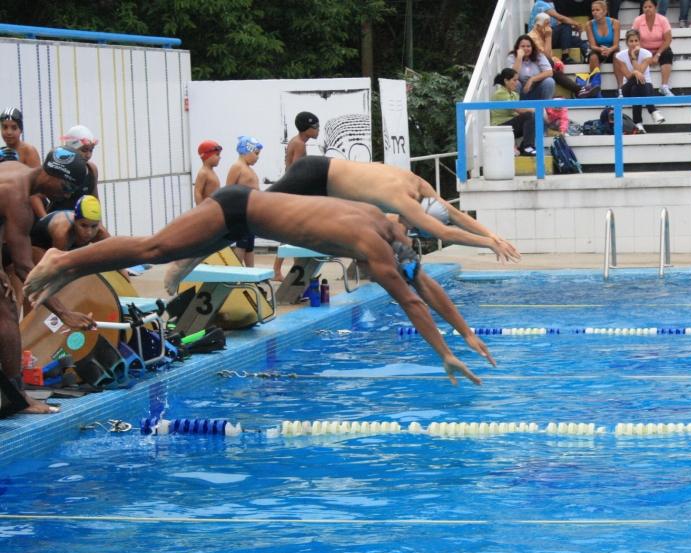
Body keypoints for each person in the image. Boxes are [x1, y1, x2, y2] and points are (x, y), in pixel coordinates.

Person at [24, 188, 494, 386]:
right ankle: (62, 258)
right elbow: (410, 299)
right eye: (415, 244)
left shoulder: (381, 221)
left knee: (165, 254)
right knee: (154, 249)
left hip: (241, 221)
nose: (410, 253)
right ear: (410, 233)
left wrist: (466, 331)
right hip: (235, 210)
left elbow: (421, 284)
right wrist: (443, 352)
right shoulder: (372, 243)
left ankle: (68, 268)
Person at [266, 156, 520, 262]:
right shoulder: (405, 202)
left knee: (261, 208)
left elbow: (455, 215)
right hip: (315, 177)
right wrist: (487, 244)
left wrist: (493, 236)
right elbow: (446, 232)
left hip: (320, 170)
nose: (409, 226)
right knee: (257, 207)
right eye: (415, 225)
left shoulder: (418, 184)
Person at [0, 147, 92, 415]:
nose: (65, 195)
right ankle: (18, 397)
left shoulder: (16, 173)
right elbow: (25, 268)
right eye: (66, 187)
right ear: (51, 174)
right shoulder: (19, 200)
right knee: (6, 310)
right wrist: (64, 313)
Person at [272, 112, 320, 281]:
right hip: (292, 192)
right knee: (291, 232)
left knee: (292, 233)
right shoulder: (299, 144)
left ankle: (292, 269)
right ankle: (278, 271)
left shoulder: (297, 141)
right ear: (307, 129)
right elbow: (297, 172)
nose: (318, 130)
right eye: (315, 127)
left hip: (290, 191)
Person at [615, 29, 668, 133]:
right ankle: (653, 111)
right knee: (635, 81)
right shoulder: (619, 56)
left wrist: (634, 59)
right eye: (631, 41)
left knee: (637, 88)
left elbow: (640, 73)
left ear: (640, 42)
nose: (634, 44)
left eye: (636, 41)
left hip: (644, 86)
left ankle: (638, 123)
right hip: (627, 89)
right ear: (626, 43)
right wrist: (635, 70)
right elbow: (630, 76)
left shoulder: (647, 54)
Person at [225, 135, 262, 266]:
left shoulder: (247, 168)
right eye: (256, 153)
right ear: (247, 150)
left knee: (249, 245)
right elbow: (228, 190)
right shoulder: (237, 167)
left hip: (250, 213)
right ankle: (234, 276)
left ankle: (250, 276)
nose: (258, 157)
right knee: (242, 244)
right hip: (241, 213)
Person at [529, 13, 585, 96]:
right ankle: (579, 90)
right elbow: (546, 57)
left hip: (544, 67)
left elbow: (548, 57)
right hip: (534, 68)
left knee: (554, 70)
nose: (550, 26)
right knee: (552, 67)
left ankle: (579, 90)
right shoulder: (532, 37)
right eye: (547, 24)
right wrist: (549, 37)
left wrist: (555, 60)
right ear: (538, 26)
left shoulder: (541, 34)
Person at [631, 0, 675, 96]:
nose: (647, 9)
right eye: (645, 7)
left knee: (668, 53)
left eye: (650, 7)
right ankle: (639, 86)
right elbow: (633, 38)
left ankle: (664, 86)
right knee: (634, 53)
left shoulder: (663, 20)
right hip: (643, 49)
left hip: (660, 48)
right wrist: (646, 55)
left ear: (655, 7)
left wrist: (657, 54)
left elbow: (668, 39)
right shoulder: (638, 20)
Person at [492, 68, 539, 157]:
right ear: (506, 81)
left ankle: (524, 147)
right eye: (514, 80)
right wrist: (535, 109)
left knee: (534, 120)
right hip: (500, 126)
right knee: (529, 115)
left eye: (517, 80)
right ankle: (528, 147)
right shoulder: (500, 93)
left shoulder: (515, 94)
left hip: (511, 126)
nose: (517, 83)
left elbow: (518, 113)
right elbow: (518, 110)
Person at [506, 34, 556, 102]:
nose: (525, 48)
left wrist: (532, 79)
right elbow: (512, 76)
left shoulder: (539, 55)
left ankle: (546, 107)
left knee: (549, 81)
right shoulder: (512, 57)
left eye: (528, 46)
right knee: (515, 82)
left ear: (532, 47)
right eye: (522, 46)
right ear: (518, 47)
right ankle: (517, 109)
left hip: (536, 91)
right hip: (521, 93)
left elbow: (550, 72)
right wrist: (519, 58)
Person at [585, 1, 621, 80]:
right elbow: (592, 46)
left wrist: (609, 50)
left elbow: (616, 45)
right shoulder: (589, 24)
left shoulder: (615, 23)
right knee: (593, 57)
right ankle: (595, 87)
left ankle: (620, 88)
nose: (594, 13)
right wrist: (602, 49)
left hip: (612, 49)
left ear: (605, 11)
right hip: (598, 50)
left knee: (617, 55)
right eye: (593, 10)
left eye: (597, 10)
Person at [194, 140, 222, 206]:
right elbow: (197, 192)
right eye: (217, 154)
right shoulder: (203, 173)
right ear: (208, 156)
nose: (220, 157)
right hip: (207, 210)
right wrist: (200, 210)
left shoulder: (211, 171)